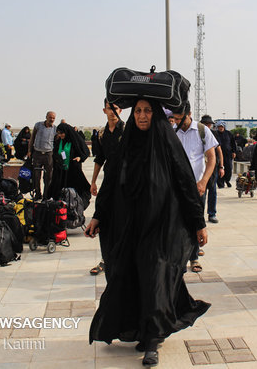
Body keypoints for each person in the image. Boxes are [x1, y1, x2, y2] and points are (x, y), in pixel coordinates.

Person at [88, 99, 210, 367]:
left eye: (148, 111)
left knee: (156, 277)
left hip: (161, 227)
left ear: (155, 115)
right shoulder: (126, 144)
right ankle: (144, 329)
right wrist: (97, 215)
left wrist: (198, 222)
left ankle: (153, 341)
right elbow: (110, 182)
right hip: (129, 226)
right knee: (130, 277)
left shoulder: (167, 144)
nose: (143, 116)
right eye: (139, 111)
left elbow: (186, 183)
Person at [173, 104, 218, 273]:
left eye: (181, 118)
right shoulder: (172, 131)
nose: (178, 122)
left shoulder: (202, 130)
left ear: (189, 114)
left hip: (197, 187)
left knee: (195, 221)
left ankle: (194, 258)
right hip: (176, 188)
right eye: (175, 119)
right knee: (177, 222)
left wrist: (204, 181)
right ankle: (179, 257)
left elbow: (211, 158)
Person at [87, 100, 124, 276]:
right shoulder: (101, 134)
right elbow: (99, 159)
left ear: (121, 110)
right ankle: (106, 259)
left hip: (126, 183)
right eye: (110, 108)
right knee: (104, 218)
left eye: (116, 108)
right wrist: (93, 182)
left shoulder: (127, 130)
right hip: (109, 182)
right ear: (104, 110)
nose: (113, 112)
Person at [46, 122, 91, 207]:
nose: (60, 135)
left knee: (75, 191)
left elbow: (85, 151)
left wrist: (80, 158)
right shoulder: (59, 141)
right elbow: (55, 152)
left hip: (72, 170)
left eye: (62, 133)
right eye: (58, 133)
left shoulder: (75, 140)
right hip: (60, 171)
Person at [27, 111, 57, 200]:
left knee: (48, 177)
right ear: (46, 117)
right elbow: (32, 138)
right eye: (50, 117)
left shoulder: (55, 129)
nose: (51, 119)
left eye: (53, 118)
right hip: (37, 154)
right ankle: (38, 194)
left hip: (48, 154)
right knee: (36, 175)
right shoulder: (38, 125)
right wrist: (29, 150)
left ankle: (46, 195)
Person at [200, 115, 223, 224]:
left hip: (212, 167)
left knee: (212, 190)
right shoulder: (198, 133)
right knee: (201, 192)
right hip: (201, 168)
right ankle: (200, 215)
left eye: (209, 124)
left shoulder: (213, 134)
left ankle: (212, 214)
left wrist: (221, 167)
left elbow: (219, 150)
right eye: (206, 124)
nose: (208, 126)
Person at [215, 122, 236, 188]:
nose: (220, 128)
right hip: (218, 154)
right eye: (219, 127)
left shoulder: (229, 134)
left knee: (229, 168)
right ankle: (221, 183)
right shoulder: (215, 134)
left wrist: (234, 152)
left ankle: (227, 180)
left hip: (228, 154)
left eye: (222, 127)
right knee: (219, 168)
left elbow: (233, 143)